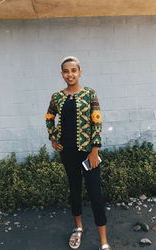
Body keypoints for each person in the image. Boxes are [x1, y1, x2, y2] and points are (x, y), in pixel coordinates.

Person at [45, 56, 111, 250]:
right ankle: (78, 227)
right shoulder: (57, 96)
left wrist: (94, 149)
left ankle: (103, 241)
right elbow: (49, 117)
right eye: (66, 71)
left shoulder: (90, 94)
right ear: (62, 74)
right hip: (68, 153)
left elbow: (97, 121)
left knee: (95, 194)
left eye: (73, 70)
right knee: (74, 190)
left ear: (80, 72)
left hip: (88, 153)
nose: (70, 74)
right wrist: (53, 137)